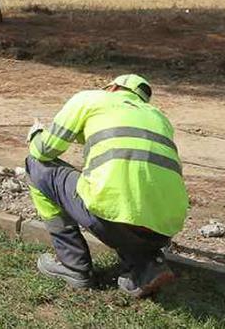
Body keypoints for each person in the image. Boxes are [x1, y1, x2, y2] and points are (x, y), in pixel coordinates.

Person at [25, 74, 188, 299]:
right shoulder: (159, 117)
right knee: (133, 199)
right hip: (164, 231)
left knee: (36, 166)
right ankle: (146, 265)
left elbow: (44, 150)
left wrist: (35, 135)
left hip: (110, 218)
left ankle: (73, 265)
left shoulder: (91, 99)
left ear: (111, 88)